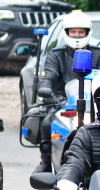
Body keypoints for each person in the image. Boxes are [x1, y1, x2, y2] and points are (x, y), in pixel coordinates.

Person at [36, 10, 100, 173]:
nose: (77, 35)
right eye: (73, 32)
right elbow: (49, 75)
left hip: (94, 104)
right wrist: (46, 88)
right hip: (64, 103)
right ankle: (46, 163)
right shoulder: (56, 55)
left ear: (88, 32)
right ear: (66, 32)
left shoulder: (98, 53)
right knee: (46, 123)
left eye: (81, 32)